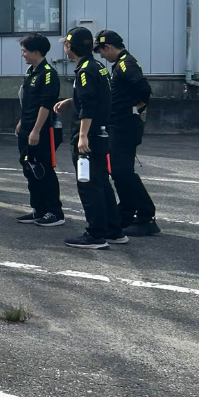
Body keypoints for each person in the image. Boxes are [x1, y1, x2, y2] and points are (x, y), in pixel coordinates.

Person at [53, 27, 125, 249]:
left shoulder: (85, 70)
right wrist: (70, 100)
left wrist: (82, 136)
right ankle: (114, 230)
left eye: (65, 43)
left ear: (69, 46)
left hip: (89, 136)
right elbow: (92, 96)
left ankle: (95, 235)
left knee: (88, 184)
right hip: (102, 133)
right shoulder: (97, 67)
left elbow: (90, 105)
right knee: (102, 183)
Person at [96, 30, 159, 236]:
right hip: (119, 125)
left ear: (109, 47)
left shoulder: (125, 64)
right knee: (118, 171)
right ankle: (126, 212)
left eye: (101, 51)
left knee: (122, 172)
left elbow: (143, 88)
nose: (102, 56)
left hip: (124, 126)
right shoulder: (120, 64)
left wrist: (138, 108)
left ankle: (145, 215)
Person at [14, 33, 65, 227]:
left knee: (42, 170)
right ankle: (39, 209)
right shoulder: (31, 71)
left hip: (41, 131)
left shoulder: (48, 74)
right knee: (29, 168)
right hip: (27, 127)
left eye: (25, 51)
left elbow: (45, 105)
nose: (23, 55)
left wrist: (36, 130)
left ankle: (54, 211)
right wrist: (21, 123)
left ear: (36, 52)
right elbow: (28, 102)